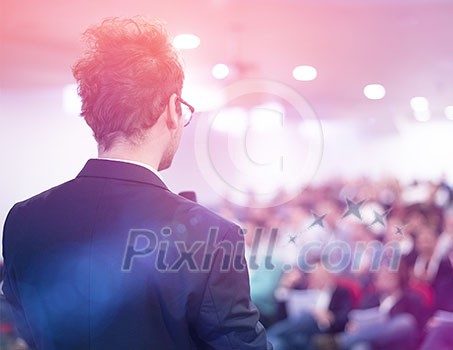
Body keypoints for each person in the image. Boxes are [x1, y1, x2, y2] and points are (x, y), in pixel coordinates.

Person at [2, 17, 270, 349]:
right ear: (173, 109)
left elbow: (25, 330)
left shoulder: (22, 220)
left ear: (91, 114)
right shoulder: (213, 237)